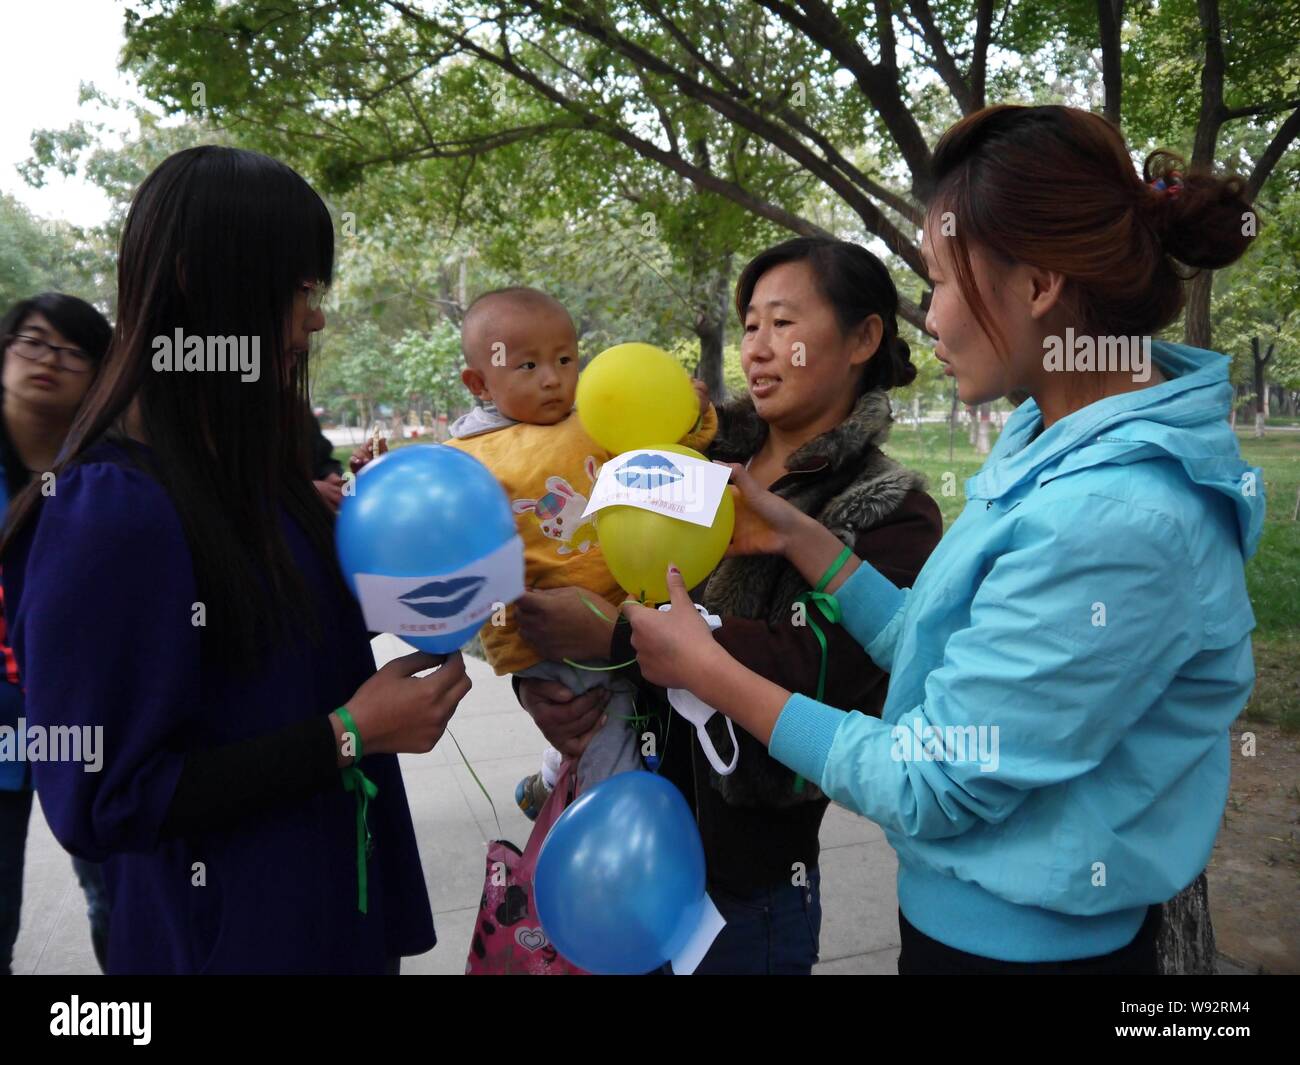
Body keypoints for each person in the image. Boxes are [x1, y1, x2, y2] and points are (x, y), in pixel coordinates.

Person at [622, 104, 1262, 975]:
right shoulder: (1052, 434)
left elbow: (935, 778)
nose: (931, 318)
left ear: (1038, 286)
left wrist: (709, 670)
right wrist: (809, 542)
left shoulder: (1116, 516)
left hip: (1027, 954)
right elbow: (949, 637)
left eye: (943, 282)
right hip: (964, 926)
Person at [0, 146, 471, 974]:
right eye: (296, 289)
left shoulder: (250, 473)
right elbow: (98, 795)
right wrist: (348, 736)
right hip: (229, 936)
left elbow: (277, 650)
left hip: (331, 909)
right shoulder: (110, 511)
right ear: (194, 279)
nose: (314, 319)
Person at [513, 240, 941, 973]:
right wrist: (546, 681)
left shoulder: (889, 508)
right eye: (749, 326)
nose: (760, 350)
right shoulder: (684, 460)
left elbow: (821, 671)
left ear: (864, 338)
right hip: (616, 843)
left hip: (746, 886)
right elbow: (591, 569)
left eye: (783, 323)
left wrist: (615, 637)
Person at [446, 286, 715, 812]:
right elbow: (471, 561)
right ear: (479, 382)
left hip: (628, 612)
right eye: (526, 366)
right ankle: (612, 834)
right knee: (607, 746)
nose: (552, 378)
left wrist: (685, 411)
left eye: (565, 359)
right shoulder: (468, 459)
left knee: (636, 717)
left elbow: (664, 454)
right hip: (553, 635)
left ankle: (551, 780)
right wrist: (516, 657)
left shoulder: (594, 417)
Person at [0, 293, 112, 974]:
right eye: (33, 341)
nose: (49, 360)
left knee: (115, 897)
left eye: (72, 350)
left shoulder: (111, 472)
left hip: (93, 723)